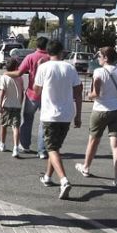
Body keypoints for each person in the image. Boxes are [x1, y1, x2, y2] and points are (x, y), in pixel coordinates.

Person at [33, 40, 82, 200]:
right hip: (67, 114)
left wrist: (38, 69)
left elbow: (37, 91)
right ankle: (47, 177)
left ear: (48, 52)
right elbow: (78, 92)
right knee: (55, 147)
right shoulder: (70, 67)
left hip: (49, 114)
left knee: (51, 148)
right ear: (62, 52)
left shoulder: (44, 67)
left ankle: (64, 180)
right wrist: (78, 115)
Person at [75, 46, 117, 189]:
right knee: (116, 145)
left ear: (105, 58)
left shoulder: (98, 72)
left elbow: (96, 94)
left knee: (93, 140)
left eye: (99, 56)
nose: (98, 58)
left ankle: (86, 167)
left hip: (100, 110)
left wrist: (88, 94)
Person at [4, 36, 49, 159]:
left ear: (36, 46)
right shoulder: (50, 58)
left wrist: (6, 73)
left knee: (27, 120)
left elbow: (18, 72)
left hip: (32, 94)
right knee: (43, 123)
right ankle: (42, 151)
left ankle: (25, 146)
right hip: (47, 96)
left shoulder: (30, 57)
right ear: (47, 46)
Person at [0, 58, 24, 158]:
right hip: (16, 105)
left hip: (6, 105)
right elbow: (22, 92)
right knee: (15, 127)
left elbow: (2, 93)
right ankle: (16, 148)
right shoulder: (20, 78)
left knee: (3, 125)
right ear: (16, 67)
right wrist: (20, 103)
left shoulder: (4, 77)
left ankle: (2, 144)